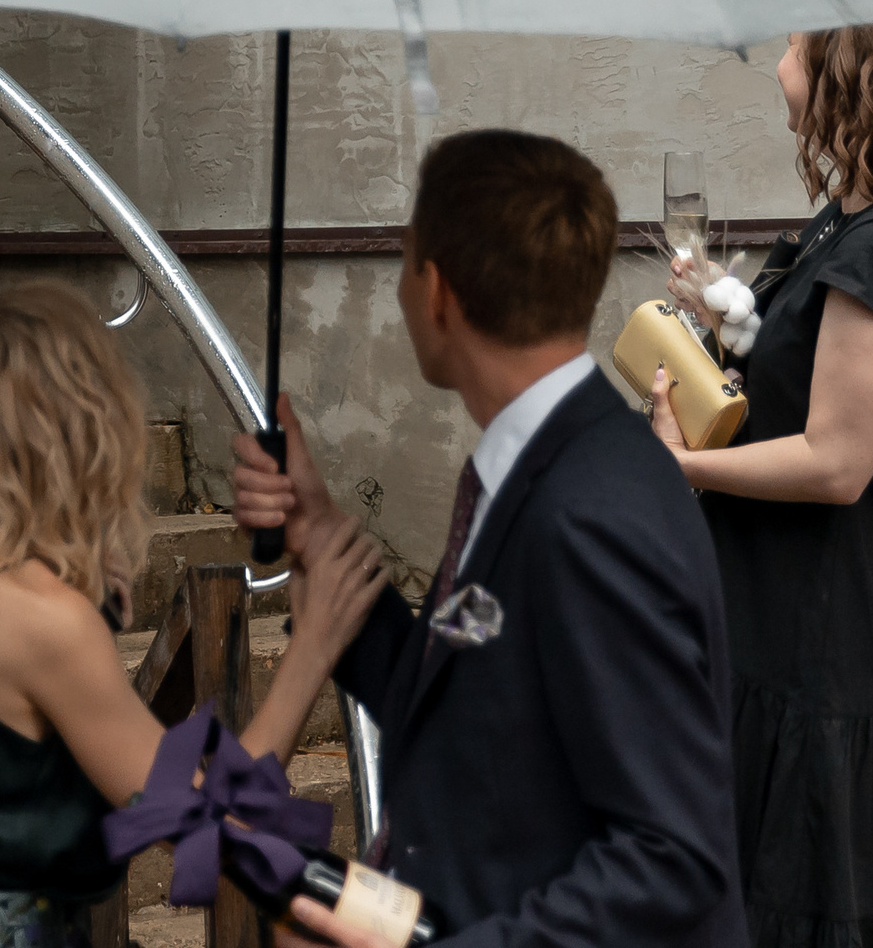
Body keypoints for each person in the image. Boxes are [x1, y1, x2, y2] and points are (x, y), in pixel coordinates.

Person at [233, 130, 744, 948]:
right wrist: (315, 528)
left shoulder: (594, 510)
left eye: (405, 263)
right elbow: (469, 716)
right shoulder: (536, 465)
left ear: (437, 291)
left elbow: (671, 861)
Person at [0, 283, 389, 948]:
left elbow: (121, 779)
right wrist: (313, 649)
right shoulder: (40, 620)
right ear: (86, 429)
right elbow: (209, 831)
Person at [651, 22, 873, 948]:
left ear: (853, 71)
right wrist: (723, 314)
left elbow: (837, 462)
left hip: (823, 656)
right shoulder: (853, 227)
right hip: (774, 639)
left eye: (795, 46)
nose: (778, 65)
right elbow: (796, 384)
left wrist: (678, 466)